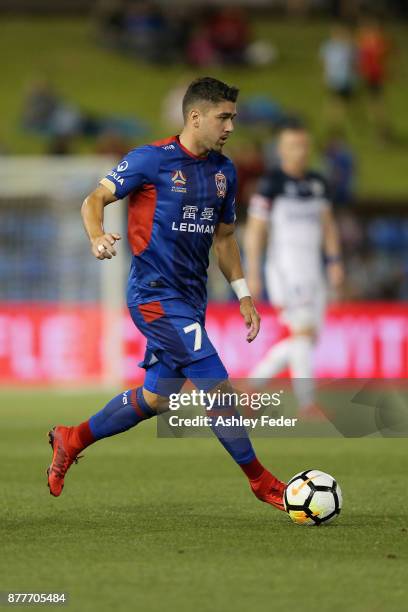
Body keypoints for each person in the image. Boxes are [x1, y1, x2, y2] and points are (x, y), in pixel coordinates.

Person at [46, 77, 286, 511]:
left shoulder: (223, 172)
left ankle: (71, 438)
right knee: (215, 382)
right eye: (224, 117)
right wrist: (97, 236)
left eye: (233, 116)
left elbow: (226, 237)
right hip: (154, 294)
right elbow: (94, 199)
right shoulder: (150, 161)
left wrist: (244, 294)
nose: (231, 126)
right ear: (195, 116)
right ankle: (262, 481)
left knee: (157, 398)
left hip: (192, 301)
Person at [244, 123, 344, 417]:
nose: (299, 152)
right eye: (293, 146)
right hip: (285, 270)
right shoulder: (270, 184)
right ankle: (306, 403)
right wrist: (252, 270)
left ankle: (250, 390)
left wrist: (335, 261)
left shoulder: (318, 183)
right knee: (301, 333)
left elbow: (328, 225)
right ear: (282, 150)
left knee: (306, 338)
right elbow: (255, 230)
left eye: (303, 145)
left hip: (314, 270)